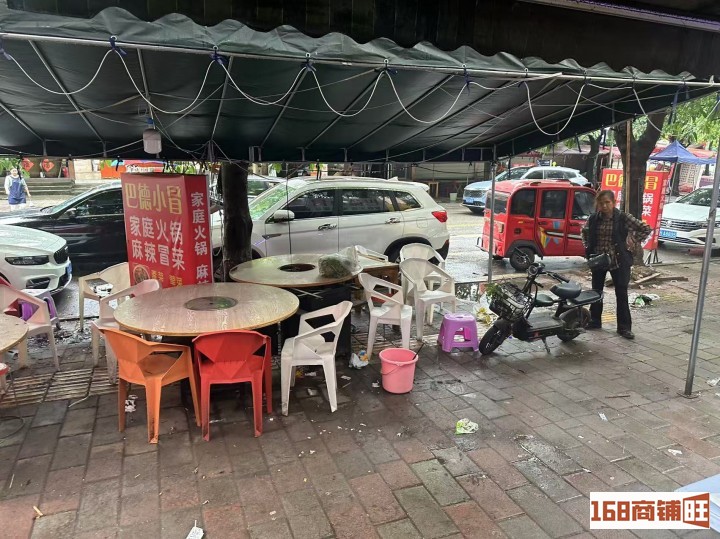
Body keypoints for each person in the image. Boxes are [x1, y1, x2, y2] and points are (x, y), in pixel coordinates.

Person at [581, 190, 651, 340]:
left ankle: (624, 328)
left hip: (619, 261)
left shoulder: (623, 218)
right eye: (601, 203)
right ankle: (595, 320)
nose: (604, 206)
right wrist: (587, 247)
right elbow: (584, 232)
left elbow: (645, 228)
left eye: (607, 202)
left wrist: (632, 240)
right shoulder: (593, 219)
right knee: (596, 291)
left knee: (621, 293)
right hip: (598, 260)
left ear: (614, 202)